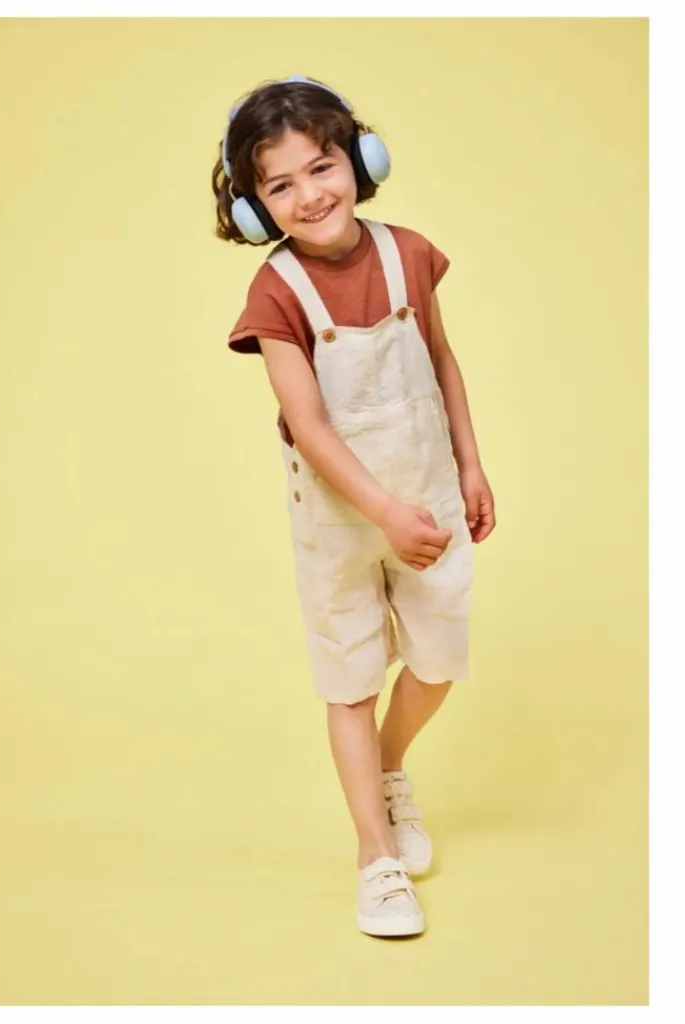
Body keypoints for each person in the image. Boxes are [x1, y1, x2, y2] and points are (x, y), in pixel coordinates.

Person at [212, 75, 496, 938]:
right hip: (340, 521)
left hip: (429, 499)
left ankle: (388, 765)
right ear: (255, 207)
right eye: (279, 185)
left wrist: (471, 465)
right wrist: (383, 513)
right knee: (351, 681)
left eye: (322, 166)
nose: (308, 195)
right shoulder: (276, 293)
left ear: (361, 160)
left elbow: (441, 360)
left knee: (437, 664)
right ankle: (377, 858)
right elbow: (309, 425)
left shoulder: (409, 253)